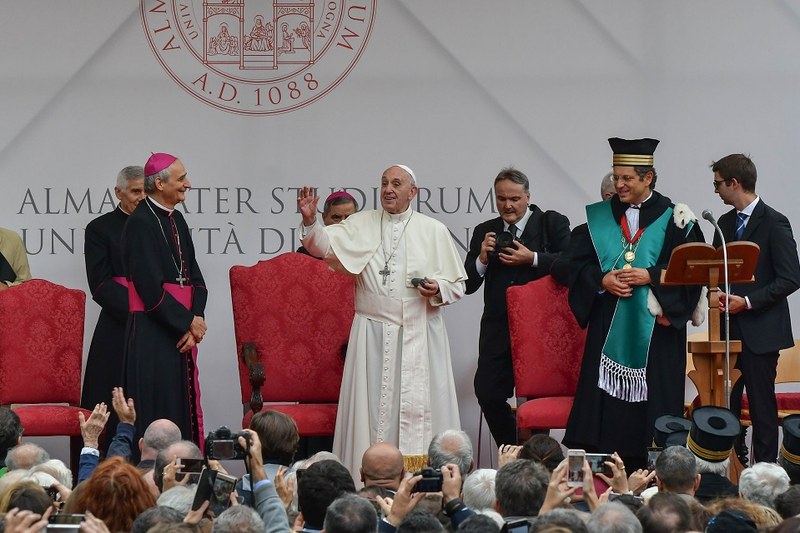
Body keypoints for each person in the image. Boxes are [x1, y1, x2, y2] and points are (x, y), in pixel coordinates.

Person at [297, 164, 466, 479]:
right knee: (372, 409)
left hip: (421, 332)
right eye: (385, 183)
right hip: (372, 334)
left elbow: (457, 285)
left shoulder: (434, 230)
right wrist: (310, 221)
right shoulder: (361, 223)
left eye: (397, 184)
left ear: (412, 192)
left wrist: (437, 288)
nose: (388, 189)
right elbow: (323, 246)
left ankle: (424, 480)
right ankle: (368, 478)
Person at [562, 137, 705, 470]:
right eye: (616, 177)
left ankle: (656, 473)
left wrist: (651, 275)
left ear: (648, 178)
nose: (619, 185)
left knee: (655, 410)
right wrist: (601, 280)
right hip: (608, 326)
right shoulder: (598, 219)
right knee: (607, 411)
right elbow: (568, 266)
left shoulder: (678, 219)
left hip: (657, 332)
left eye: (627, 178)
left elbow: (694, 271)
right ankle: (607, 471)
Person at [465, 167, 570, 446]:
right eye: (501, 199)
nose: (507, 205)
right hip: (498, 328)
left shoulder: (552, 223)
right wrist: (482, 259)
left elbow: (571, 265)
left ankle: (537, 457)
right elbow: (467, 284)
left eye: (514, 199)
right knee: (487, 392)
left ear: (528, 197)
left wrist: (532, 258)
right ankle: (512, 449)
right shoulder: (485, 231)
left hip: (541, 330)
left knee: (539, 402)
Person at [710, 153, 800, 463]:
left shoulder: (774, 222)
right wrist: (715, 292)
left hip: (761, 331)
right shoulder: (723, 223)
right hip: (727, 330)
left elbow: (790, 278)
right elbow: (714, 269)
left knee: (762, 408)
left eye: (718, 184)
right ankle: (729, 468)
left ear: (734, 183)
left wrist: (748, 302)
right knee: (727, 407)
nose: (716, 190)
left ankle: (764, 473)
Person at [121, 153, 208, 446]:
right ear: (159, 183)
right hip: (153, 333)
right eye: (181, 178)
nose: (188, 184)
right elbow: (150, 290)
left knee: (182, 407)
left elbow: (196, 278)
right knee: (158, 409)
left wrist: (197, 320)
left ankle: (185, 464)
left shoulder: (177, 219)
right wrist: (188, 322)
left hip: (180, 329)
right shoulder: (140, 222)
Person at [82, 165, 146, 450]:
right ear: (118, 192)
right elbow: (100, 284)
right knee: (108, 396)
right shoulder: (99, 228)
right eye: (135, 191)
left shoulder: (162, 226)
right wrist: (140, 311)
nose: (142, 197)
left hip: (157, 324)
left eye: (146, 191)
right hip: (118, 325)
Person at [297, 190, 358, 256]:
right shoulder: (305, 254)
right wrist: (309, 219)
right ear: (324, 218)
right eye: (336, 217)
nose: (343, 223)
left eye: (349, 218)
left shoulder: (364, 250)